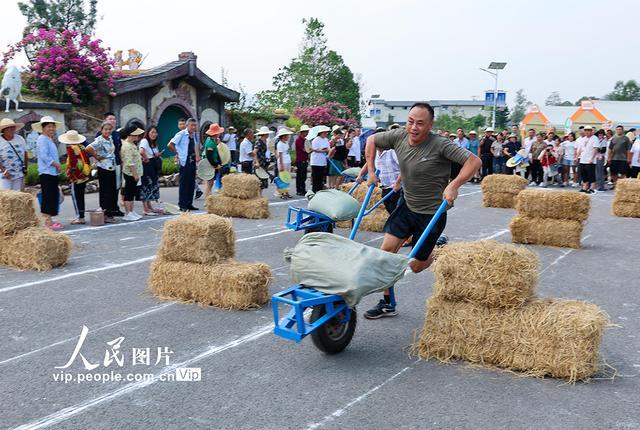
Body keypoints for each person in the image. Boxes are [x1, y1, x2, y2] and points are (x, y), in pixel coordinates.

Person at [363, 102, 481, 319]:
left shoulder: (440, 144)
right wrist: (371, 171)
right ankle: (387, 302)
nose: (414, 128)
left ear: (430, 125)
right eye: (410, 122)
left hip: (432, 213)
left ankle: (437, 251)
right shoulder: (398, 136)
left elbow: (474, 161)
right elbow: (371, 140)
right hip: (407, 205)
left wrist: (453, 185)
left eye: (420, 123)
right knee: (385, 254)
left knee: (416, 266)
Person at [34, 116, 63, 229]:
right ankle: (47, 222)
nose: (51, 129)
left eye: (52, 126)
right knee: (47, 196)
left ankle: (50, 220)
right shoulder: (42, 139)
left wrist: (56, 166)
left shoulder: (49, 139)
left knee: (51, 196)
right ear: (43, 128)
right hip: (46, 172)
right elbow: (44, 156)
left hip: (51, 172)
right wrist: (56, 164)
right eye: (49, 126)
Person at [87, 122, 118, 222]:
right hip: (103, 168)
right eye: (106, 129)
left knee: (112, 191)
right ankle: (105, 214)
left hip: (111, 166)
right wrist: (96, 157)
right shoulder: (99, 140)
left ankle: (110, 213)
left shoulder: (110, 139)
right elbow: (88, 148)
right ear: (102, 130)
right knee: (106, 191)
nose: (108, 131)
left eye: (109, 129)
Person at [168, 118, 200, 211]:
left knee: (191, 183)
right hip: (184, 161)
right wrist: (177, 153)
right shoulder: (181, 134)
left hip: (192, 160)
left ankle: (189, 203)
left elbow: (195, 145)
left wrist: (197, 156)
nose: (193, 127)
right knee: (184, 184)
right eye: (192, 125)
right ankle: (182, 205)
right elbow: (170, 144)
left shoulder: (193, 135)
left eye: (195, 125)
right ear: (187, 125)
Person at [96, 112, 124, 217]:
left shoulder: (116, 134)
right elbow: (95, 149)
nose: (113, 121)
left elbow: (119, 149)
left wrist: (121, 161)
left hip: (116, 163)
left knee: (115, 187)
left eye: (114, 119)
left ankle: (114, 208)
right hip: (104, 165)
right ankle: (105, 209)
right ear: (105, 120)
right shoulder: (100, 134)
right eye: (110, 119)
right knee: (105, 188)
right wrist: (97, 159)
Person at [62, 130, 91, 224]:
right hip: (83, 175)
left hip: (76, 176)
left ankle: (80, 217)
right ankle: (81, 215)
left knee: (76, 196)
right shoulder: (81, 147)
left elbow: (72, 162)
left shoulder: (71, 148)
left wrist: (70, 172)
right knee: (81, 195)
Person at [119, 125, 144, 220]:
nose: (138, 137)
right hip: (130, 174)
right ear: (131, 135)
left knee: (132, 193)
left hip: (134, 173)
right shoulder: (127, 146)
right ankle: (128, 213)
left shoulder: (132, 144)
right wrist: (135, 174)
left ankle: (131, 211)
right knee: (128, 194)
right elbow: (129, 162)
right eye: (136, 135)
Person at [138, 126, 162, 215]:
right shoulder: (145, 141)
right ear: (148, 133)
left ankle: (150, 206)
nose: (154, 134)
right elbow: (141, 151)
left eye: (155, 132)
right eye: (152, 132)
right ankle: (145, 209)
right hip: (146, 166)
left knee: (151, 185)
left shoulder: (153, 143)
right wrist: (146, 158)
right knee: (145, 185)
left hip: (153, 166)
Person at [0, 118, 28, 191]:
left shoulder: (20, 139)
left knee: (17, 196)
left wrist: (25, 168)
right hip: (5, 174)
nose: (12, 130)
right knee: (6, 196)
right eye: (9, 128)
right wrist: (4, 170)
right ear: (4, 130)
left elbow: (25, 153)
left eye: (13, 128)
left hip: (19, 173)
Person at [201, 123, 223, 199]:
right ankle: (208, 200)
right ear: (216, 133)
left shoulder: (211, 140)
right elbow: (209, 156)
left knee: (210, 183)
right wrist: (215, 165)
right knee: (209, 183)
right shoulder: (210, 142)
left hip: (211, 163)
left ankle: (209, 199)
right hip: (209, 164)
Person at [576, 126, 598, 194]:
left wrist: (592, 158)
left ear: (591, 131)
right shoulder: (583, 139)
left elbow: (595, 148)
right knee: (583, 173)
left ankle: (592, 188)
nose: (587, 132)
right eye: (586, 130)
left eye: (589, 130)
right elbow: (580, 148)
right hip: (583, 158)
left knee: (591, 174)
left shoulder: (594, 138)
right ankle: (585, 187)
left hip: (590, 159)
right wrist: (577, 156)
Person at [310, 125, 331, 193]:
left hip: (322, 160)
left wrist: (326, 150)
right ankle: (314, 190)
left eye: (326, 133)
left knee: (321, 176)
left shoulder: (326, 140)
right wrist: (323, 150)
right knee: (315, 176)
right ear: (321, 133)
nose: (325, 134)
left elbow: (328, 149)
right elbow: (314, 149)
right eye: (324, 132)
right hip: (316, 161)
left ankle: (319, 189)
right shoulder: (316, 140)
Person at [275, 127, 294, 199]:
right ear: (283, 136)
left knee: (287, 177)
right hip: (283, 162)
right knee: (282, 177)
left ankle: (286, 192)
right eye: (287, 135)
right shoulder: (280, 144)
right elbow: (280, 155)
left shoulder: (285, 143)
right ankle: (282, 193)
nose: (288, 137)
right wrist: (281, 165)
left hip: (287, 161)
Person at [294, 125, 310, 195]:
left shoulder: (305, 140)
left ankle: (302, 189)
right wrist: (310, 150)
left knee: (304, 176)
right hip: (300, 160)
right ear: (302, 132)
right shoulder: (298, 140)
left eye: (307, 131)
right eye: (305, 132)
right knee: (300, 176)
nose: (307, 133)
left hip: (304, 159)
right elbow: (304, 149)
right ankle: (299, 190)